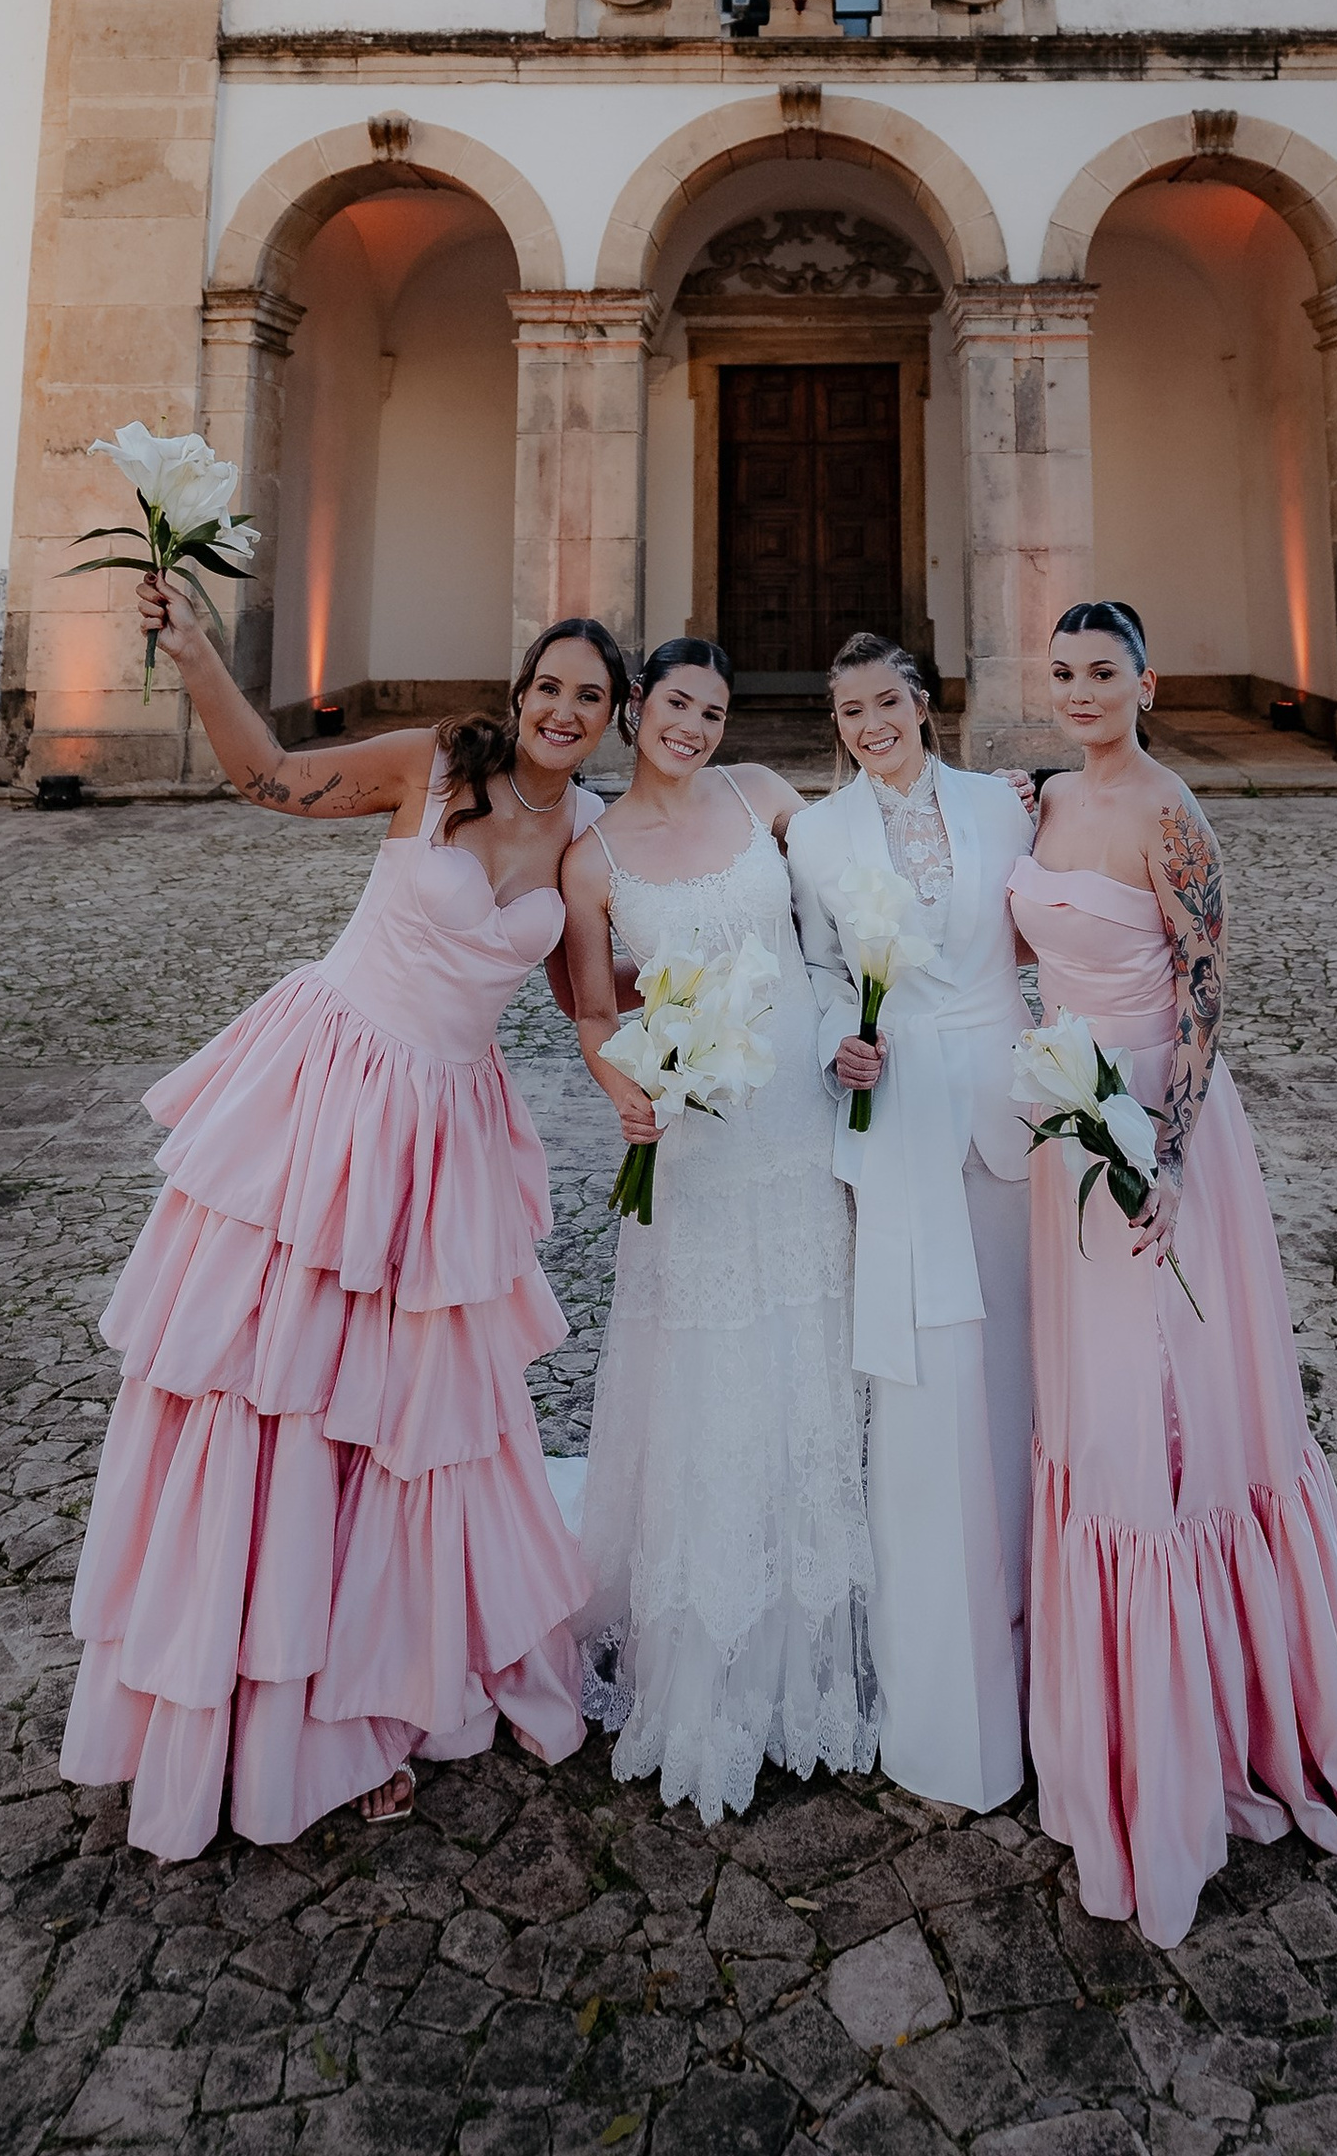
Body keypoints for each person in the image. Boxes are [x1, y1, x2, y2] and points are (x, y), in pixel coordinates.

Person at [59, 593, 630, 1860]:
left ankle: (371, 1694)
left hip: (443, 1139)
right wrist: (196, 651)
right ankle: (248, 1694)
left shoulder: (588, 838)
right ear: (520, 689)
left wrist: (713, 1014)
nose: (562, 710)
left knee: (407, 1418)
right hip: (328, 1089)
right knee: (271, 1385)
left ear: (610, 719)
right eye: (548, 685)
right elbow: (266, 775)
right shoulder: (434, 765)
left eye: (589, 696)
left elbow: (593, 999)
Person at [1015, 599, 1337, 1946]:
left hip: (1150, 1132)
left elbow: (1204, 989)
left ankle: (1201, 1720)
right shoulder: (1041, 799)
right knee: (1094, 1400)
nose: (1079, 690)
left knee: (1161, 1406)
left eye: (1102, 671)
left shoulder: (1171, 812)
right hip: (1064, 1121)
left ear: (1146, 681)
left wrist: (1165, 1154)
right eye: (1062, 672)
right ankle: (1106, 1714)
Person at [562, 638, 877, 1821]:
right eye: (677, 704)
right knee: (708, 1374)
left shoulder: (763, 796)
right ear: (638, 709)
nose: (693, 726)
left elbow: (863, 867)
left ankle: (815, 1649)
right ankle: (711, 1662)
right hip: (694, 1144)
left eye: (714, 709)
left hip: (796, 1115)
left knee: (807, 1357)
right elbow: (591, 1010)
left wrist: (993, 802)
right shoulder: (591, 858)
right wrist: (623, 1092)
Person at [787, 633, 1036, 1814]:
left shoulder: (1002, 805)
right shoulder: (817, 835)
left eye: (886, 700)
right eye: (849, 710)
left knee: (1023, 1383)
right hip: (898, 1124)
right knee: (927, 1399)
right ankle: (942, 1705)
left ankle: (1048, 1665)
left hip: (1011, 1120)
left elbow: (1051, 930)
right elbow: (821, 969)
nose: (870, 723)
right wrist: (837, 1037)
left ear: (925, 704)